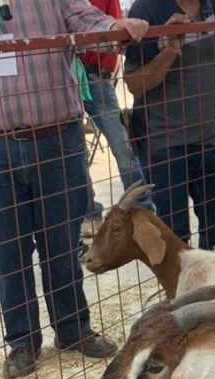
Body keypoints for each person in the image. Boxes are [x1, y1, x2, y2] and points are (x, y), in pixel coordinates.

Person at [0, 0, 148, 378]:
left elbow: (85, 18)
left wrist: (120, 26)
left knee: (62, 242)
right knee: (6, 250)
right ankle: (22, 341)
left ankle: (73, 328)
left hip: (56, 138)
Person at [124, 0, 215, 249]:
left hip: (207, 140)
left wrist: (212, 115)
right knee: (174, 240)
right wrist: (170, 49)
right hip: (164, 145)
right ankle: (180, 289)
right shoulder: (147, 10)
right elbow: (133, 84)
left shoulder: (208, 5)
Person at [80, 0, 149, 238]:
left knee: (123, 146)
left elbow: (116, 34)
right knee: (74, 152)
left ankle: (142, 209)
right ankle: (89, 213)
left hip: (95, 74)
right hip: (68, 75)